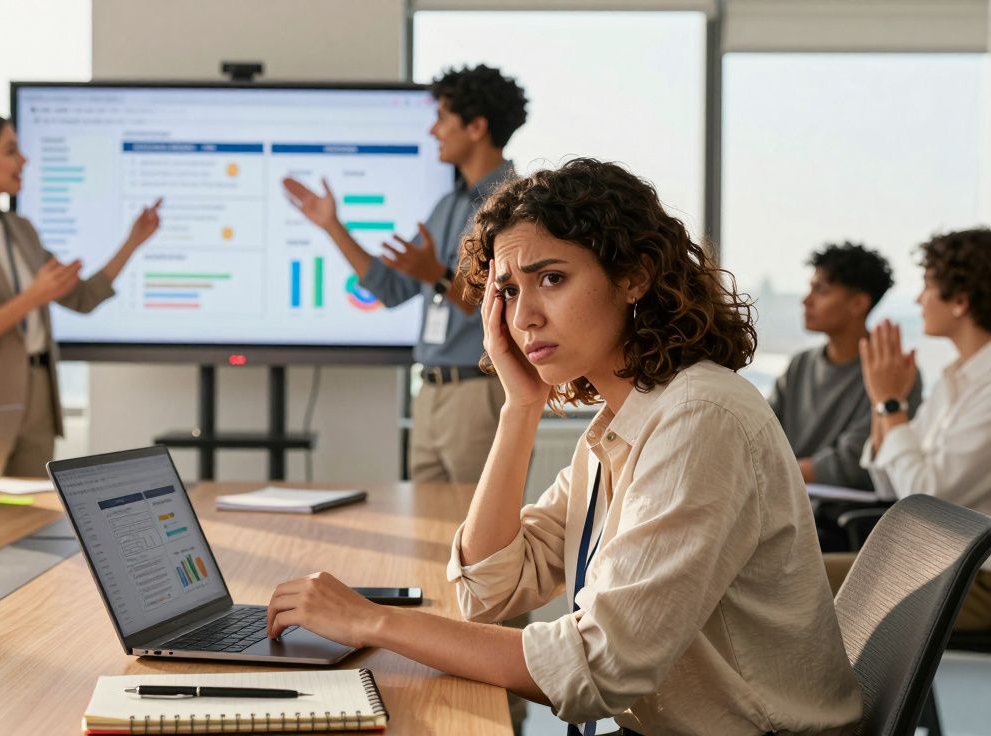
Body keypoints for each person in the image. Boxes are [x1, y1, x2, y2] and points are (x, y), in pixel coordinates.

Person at [265, 160, 862, 735]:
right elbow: (488, 590)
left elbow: (600, 665)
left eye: (551, 279)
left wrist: (369, 620)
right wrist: (519, 407)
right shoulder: (624, 421)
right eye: (508, 291)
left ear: (633, 277)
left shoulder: (699, 417)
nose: (525, 317)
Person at [283, 65, 527, 483]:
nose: (434, 131)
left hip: (479, 393)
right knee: (425, 529)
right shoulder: (448, 206)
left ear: (476, 127)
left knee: (482, 533)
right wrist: (331, 226)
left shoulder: (518, 205)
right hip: (430, 394)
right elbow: (391, 288)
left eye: (442, 119)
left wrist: (434, 274)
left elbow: (501, 307)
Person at [0, 112, 162, 477]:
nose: (24, 160)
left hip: (37, 397)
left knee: (33, 523)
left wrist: (132, 242)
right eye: (11, 151)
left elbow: (83, 297)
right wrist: (31, 298)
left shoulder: (21, 230)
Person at [823, 227, 991, 631]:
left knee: (788, 582)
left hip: (977, 576)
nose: (918, 300)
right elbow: (889, 483)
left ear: (961, 302)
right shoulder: (956, 381)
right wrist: (883, 402)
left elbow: (925, 495)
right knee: (784, 574)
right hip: (939, 563)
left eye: (928, 287)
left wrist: (890, 403)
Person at [770, 242, 922, 490]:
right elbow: (761, 434)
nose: (806, 301)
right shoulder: (800, 364)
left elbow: (853, 466)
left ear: (858, 304)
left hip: (834, 516)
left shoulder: (895, 373)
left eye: (821, 290)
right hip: (786, 499)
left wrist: (770, 473)